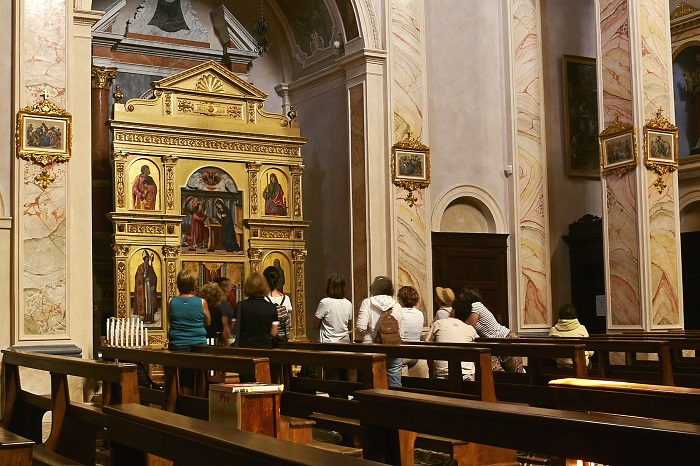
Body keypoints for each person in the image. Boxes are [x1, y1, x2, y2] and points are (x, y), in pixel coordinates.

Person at [460, 285, 525, 373]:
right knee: (496, 372)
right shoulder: (472, 308)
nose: (460, 296)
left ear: (467, 295)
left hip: (505, 339)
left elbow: (470, 327)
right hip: (493, 342)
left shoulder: (476, 306)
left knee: (516, 372)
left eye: (462, 294)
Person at [167, 268, 211, 394]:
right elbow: (208, 322)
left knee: (178, 377)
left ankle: (177, 402)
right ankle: (197, 402)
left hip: (177, 344)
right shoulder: (201, 302)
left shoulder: (172, 302)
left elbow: (171, 320)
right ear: (194, 284)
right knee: (197, 377)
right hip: (197, 345)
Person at [356, 276, 404, 387]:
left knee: (371, 384)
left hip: (371, 347)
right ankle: (394, 402)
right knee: (395, 385)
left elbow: (361, 328)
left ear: (373, 288)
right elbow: (402, 331)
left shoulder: (367, 303)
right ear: (390, 289)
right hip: (393, 347)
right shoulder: (396, 305)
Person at [312, 273, 353, 384]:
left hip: (328, 344)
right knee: (343, 378)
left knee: (332, 379)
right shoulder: (348, 304)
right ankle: (344, 400)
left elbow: (314, 325)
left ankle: (337, 399)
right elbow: (347, 320)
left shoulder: (325, 302)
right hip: (344, 344)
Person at [426, 298, 478, 380]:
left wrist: (432, 372)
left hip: (443, 373)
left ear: (453, 311)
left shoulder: (438, 324)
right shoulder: (470, 329)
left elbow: (427, 347)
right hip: (466, 373)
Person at [397, 285, 428, 378]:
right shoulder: (420, 313)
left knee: (404, 386)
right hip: (416, 352)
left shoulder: (398, 312)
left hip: (402, 352)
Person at [549, 304, 594, 368]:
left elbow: (552, 355)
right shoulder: (581, 328)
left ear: (559, 315)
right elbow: (590, 352)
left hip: (562, 365)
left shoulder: (553, 330)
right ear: (575, 315)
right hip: (581, 364)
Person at [263, 266, 292, 345]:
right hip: (281, 341)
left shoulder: (262, 299)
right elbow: (289, 323)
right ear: (279, 280)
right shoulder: (286, 299)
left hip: (266, 340)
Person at [134, 250, 157, 324]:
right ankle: (143, 317)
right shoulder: (140, 267)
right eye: (146, 259)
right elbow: (137, 277)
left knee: (149, 302)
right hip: (143, 287)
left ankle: (150, 317)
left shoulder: (150, 268)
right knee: (144, 301)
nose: (147, 260)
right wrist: (143, 276)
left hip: (149, 286)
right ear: (144, 259)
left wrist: (153, 284)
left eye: (148, 259)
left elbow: (154, 277)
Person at [213, 276, 236, 343]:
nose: (230, 288)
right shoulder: (222, 304)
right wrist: (230, 341)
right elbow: (224, 326)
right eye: (229, 286)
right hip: (224, 339)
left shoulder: (217, 302)